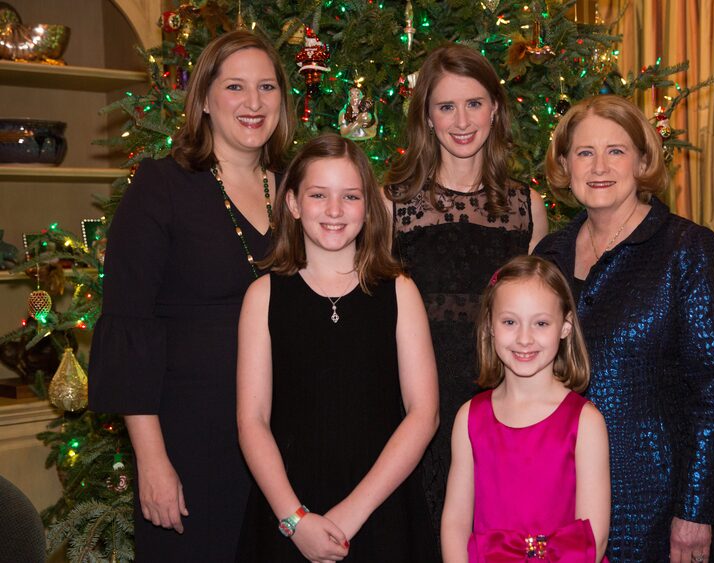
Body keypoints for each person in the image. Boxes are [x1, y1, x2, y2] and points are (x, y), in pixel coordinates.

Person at [88, 30, 295, 561]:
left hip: (286, 442)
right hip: (190, 438)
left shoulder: (299, 189)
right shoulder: (161, 187)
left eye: (267, 87)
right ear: (204, 98)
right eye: (235, 87)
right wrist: (151, 460)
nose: (254, 103)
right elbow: (128, 324)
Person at [533, 95, 714, 562]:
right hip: (559, 498)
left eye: (616, 151)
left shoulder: (687, 249)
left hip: (657, 507)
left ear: (643, 160)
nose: (599, 166)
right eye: (584, 153)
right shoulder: (549, 255)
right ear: (565, 163)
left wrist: (695, 511)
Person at [235, 134, 440, 563]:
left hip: (382, 511)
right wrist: (295, 519)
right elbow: (252, 421)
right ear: (292, 203)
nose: (334, 210)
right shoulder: (263, 296)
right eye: (318, 195)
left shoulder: (400, 292)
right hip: (288, 516)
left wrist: (353, 512)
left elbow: (424, 413)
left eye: (350, 196)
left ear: (368, 207)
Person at [383, 43, 549, 532]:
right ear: (427, 118)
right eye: (446, 106)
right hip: (413, 413)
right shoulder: (391, 205)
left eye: (474, 103)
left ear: (495, 110)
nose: (461, 120)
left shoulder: (526, 206)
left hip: (500, 412)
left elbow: (541, 324)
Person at [441, 255, 610, 563]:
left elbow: (594, 538)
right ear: (490, 325)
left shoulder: (585, 421)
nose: (524, 338)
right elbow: (454, 524)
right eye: (509, 322)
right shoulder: (469, 418)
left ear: (565, 327)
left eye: (541, 323)